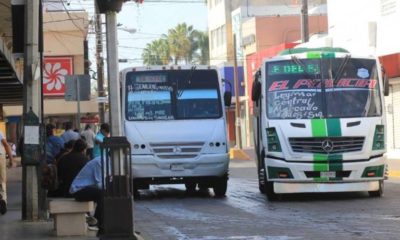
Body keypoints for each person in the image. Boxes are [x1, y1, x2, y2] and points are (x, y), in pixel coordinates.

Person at [70, 155, 105, 233]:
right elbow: (100, 183)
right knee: (103, 193)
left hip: (88, 188)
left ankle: (98, 221)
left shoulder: (107, 161)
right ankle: (98, 223)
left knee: (104, 194)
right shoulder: (100, 162)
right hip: (79, 190)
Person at [0, 132, 15, 215]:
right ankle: (3, 200)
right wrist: (11, 160)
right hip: (0, 157)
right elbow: (6, 145)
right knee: (2, 181)